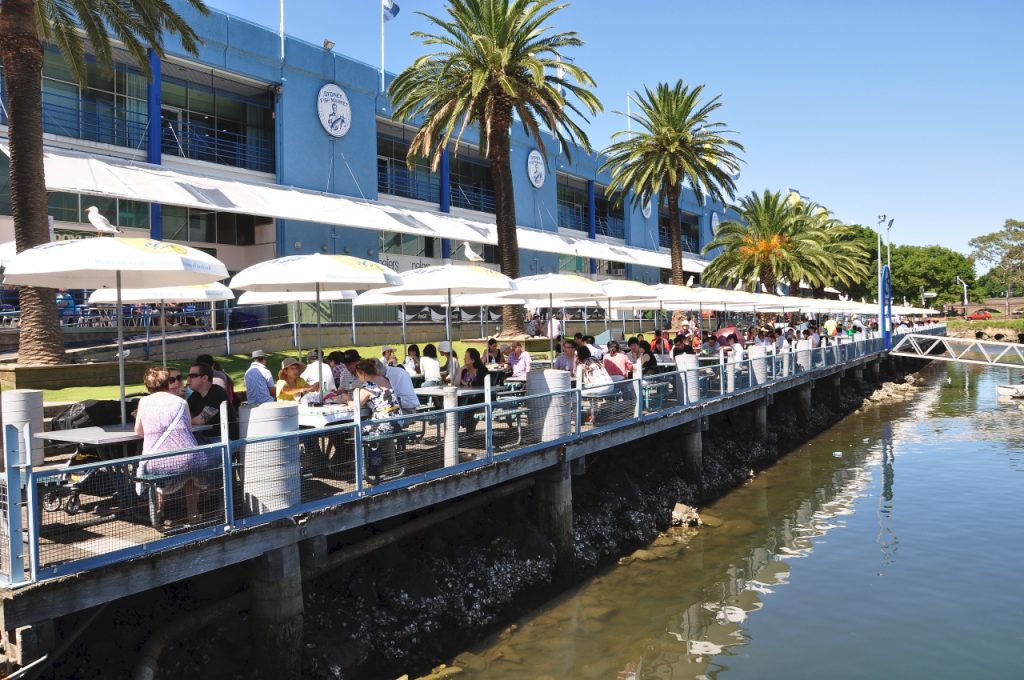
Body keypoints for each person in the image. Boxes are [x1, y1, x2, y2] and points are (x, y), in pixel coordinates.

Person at [134, 366, 209, 524]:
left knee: (157, 465)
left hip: (159, 462)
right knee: (189, 469)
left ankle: (158, 512)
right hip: (192, 458)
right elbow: (187, 427)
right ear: (166, 382)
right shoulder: (181, 402)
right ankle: (193, 513)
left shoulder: (144, 402)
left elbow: (139, 431)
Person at [341, 359, 400, 480]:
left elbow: (355, 405)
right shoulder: (384, 380)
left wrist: (346, 398)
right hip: (397, 419)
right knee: (367, 426)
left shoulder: (367, 387)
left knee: (355, 431)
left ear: (362, 372)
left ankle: (363, 465)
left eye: (358, 374)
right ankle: (384, 462)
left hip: (384, 423)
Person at [186, 363, 236, 437]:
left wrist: (185, 420)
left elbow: (200, 420)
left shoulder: (217, 393)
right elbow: (183, 414)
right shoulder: (195, 395)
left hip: (223, 440)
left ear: (204, 378)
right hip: (206, 438)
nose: (188, 379)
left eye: (192, 376)